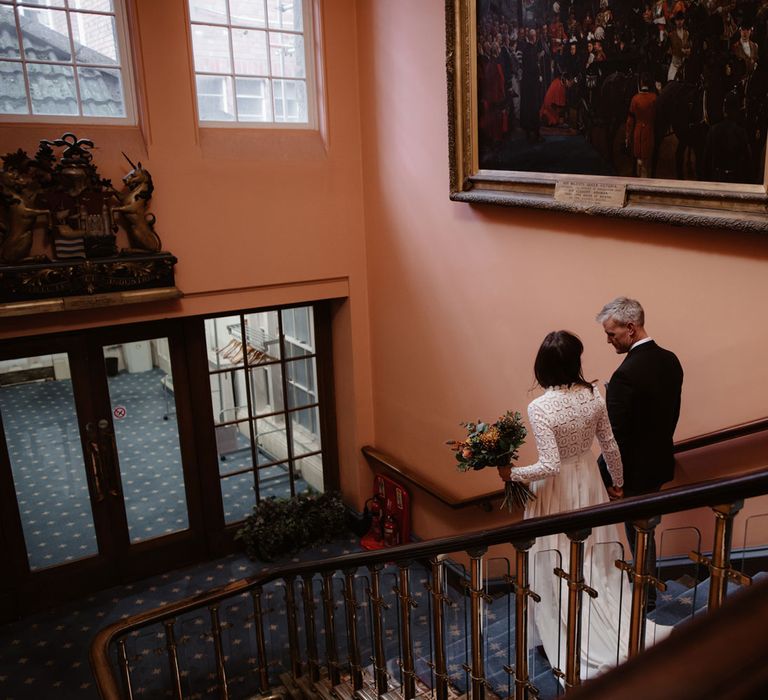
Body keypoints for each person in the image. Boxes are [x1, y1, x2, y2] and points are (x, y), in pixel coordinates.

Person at [507, 331, 671, 678]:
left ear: (543, 366)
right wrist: (619, 485)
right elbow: (610, 446)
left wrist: (512, 475)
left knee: (555, 555)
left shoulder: (539, 407)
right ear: (574, 362)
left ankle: (563, 622)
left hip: (556, 489)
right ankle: (605, 614)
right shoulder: (594, 395)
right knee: (596, 553)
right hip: (590, 481)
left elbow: (549, 465)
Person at [596, 297, 684, 609]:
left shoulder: (625, 374)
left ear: (631, 328)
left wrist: (611, 477)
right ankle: (647, 590)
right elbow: (668, 414)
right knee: (647, 531)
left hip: (632, 472)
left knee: (639, 535)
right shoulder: (671, 360)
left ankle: (645, 598)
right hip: (659, 463)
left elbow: (616, 436)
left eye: (611, 334)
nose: (608, 340)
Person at [625, 73, 658, 178]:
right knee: (646, 163)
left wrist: (627, 136)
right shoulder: (654, 98)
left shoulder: (635, 99)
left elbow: (630, 121)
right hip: (649, 131)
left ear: (641, 83)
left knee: (639, 160)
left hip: (637, 132)